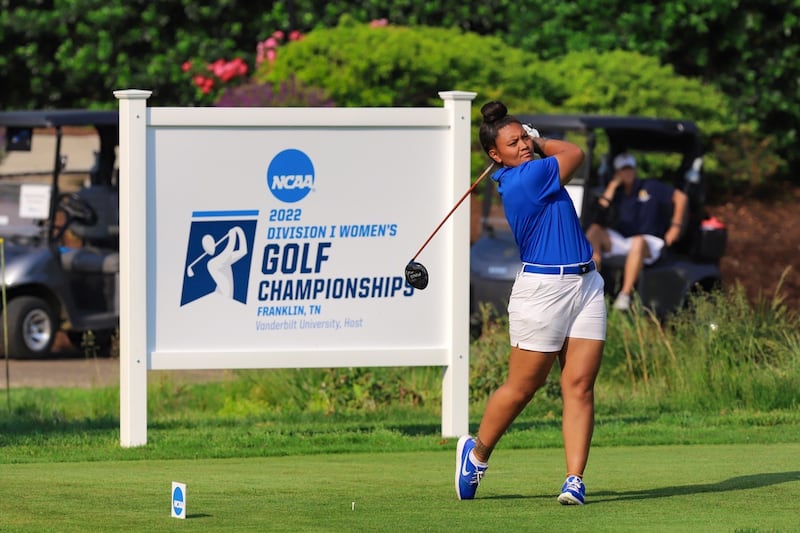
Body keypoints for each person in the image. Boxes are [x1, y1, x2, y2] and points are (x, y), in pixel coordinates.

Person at [455, 101, 606, 506]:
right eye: (514, 141)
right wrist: (540, 141)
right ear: (495, 155)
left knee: (579, 386)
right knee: (524, 387)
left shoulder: (528, 172)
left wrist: (528, 139)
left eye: (524, 136)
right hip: (542, 292)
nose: (523, 144)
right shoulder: (525, 177)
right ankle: (477, 454)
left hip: (586, 284)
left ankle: (574, 479)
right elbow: (574, 152)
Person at [585, 153, 688, 311]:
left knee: (638, 241)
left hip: (650, 242)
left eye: (630, 169)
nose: (627, 173)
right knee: (594, 231)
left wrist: (676, 226)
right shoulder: (615, 192)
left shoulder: (651, 186)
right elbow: (600, 212)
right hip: (623, 239)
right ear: (617, 172)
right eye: (623, 170)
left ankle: (624, 295)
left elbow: (681, 197)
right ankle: (590, 279)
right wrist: (612, 186)